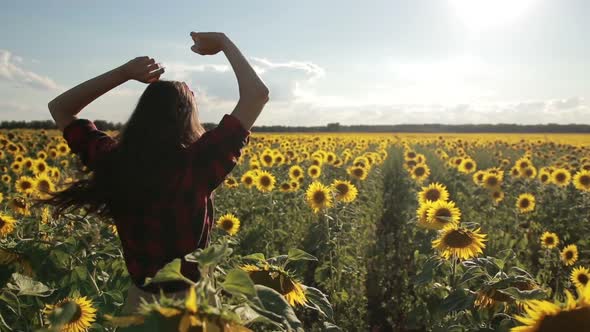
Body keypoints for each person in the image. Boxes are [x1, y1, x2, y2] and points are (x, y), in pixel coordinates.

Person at [42, 32, 269, 313]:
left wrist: (125, 72)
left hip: (139, 308)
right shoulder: (197, 165)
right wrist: (223, 42)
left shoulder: (113, 160)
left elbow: (60, 108)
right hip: (191, 309)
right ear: (187, 116)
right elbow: (257, 95)